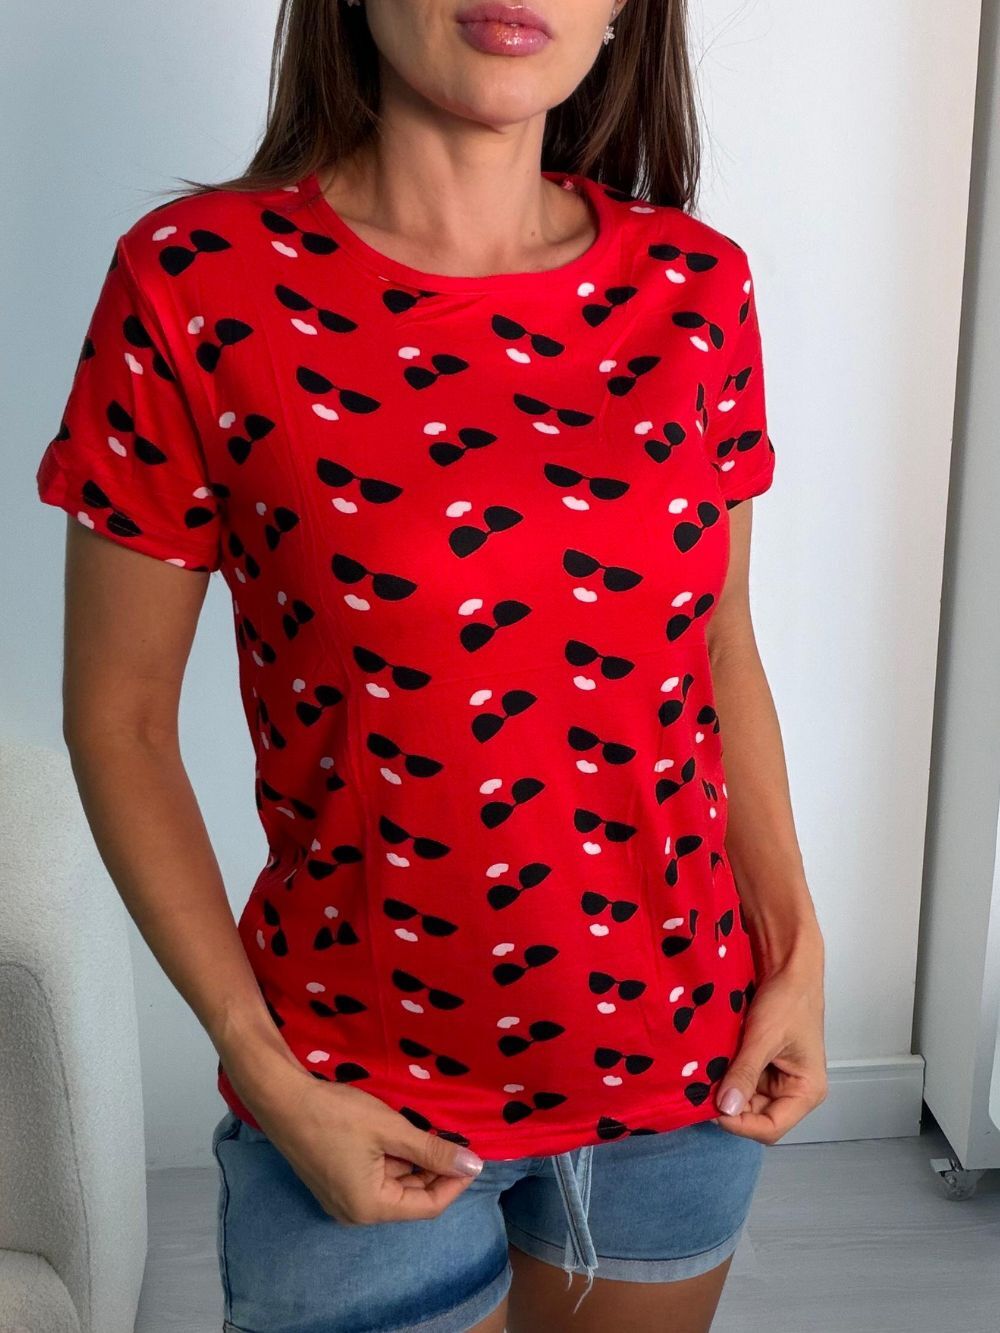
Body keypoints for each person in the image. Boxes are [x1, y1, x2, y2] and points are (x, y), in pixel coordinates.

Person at [36, 0, 828, 1329]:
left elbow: (716, 643)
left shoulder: (697, 287)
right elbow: (118, 719)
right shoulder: (196, 283)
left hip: (684, 1071)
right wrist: (263, 1072)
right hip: (349, 1090)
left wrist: (794, 950)